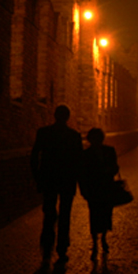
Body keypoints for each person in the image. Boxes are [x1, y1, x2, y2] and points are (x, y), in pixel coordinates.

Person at [30, 104, 84, 261]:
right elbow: (79, 162)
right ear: (67, 117)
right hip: (67, 180)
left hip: (49, 179)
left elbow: (34, 155)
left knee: (49, 213)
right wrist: (80, 183)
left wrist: (37, 177)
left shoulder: (44, 133)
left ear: (55, 116)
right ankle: (62, 248)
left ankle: (47, 244)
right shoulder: (74, 136)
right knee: (65, 214)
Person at [78, 127, 119, 261]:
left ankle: (103, 238)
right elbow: (82, 174)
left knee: (106, 214)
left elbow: (115, 167)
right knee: (94, 215)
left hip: (106, 188)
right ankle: (95, 241)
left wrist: (109, 170)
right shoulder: (86, 154)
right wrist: (84, 190)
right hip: (94, 189)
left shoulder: (109, 151)